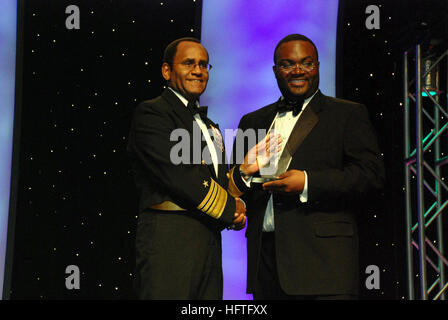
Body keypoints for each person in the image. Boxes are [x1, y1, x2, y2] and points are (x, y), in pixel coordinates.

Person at [232, 34, 385, 299]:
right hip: (266, 265)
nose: (298, 70)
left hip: (324, 265)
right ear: (275, 70)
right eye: (287, 64)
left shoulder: (347, 114)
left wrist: (306, 182)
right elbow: (239, 182)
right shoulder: (252, 121)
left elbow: (371, 175)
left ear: (317, 66)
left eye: (307, 63)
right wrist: (239, 195)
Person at [127, 37, 247, 299]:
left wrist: (244, 174)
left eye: (204, 65)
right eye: (189, 63)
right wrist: (230, 209)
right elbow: (179, 175)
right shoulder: (152, 114)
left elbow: (214, 180)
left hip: (209, 240)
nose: (198, 70)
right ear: (167, 71)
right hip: (170, 239)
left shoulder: (210, 125)